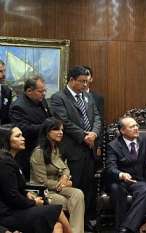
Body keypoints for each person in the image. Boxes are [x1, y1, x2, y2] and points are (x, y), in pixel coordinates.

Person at [50, 65, 101, 231]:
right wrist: (83, 136)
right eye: (82, 81)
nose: (86, 85)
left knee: (88, 189)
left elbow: (97, 117)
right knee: (74, 189)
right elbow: (63, 121)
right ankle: (71, 227)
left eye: (87, 81)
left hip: (89, 149)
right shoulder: (59, 97)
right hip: (72, 150)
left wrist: (93, 133)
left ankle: (85, 224)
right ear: (71, 80)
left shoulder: (88, 96)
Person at [0, 124, 72, 233]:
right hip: (8, 213)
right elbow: (12, 196)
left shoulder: (12, 160)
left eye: (22, 135)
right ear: (7, 140)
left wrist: (26, 194)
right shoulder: (4, 162)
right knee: (56, 210)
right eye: (18, 136)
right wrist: (33, 202)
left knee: (57, 226)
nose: (23, 138)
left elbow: (16, 189)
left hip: (17, 208)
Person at [30, 117, 85, 233]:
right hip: (44, 190)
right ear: (47, 131)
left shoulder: (55, 149)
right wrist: (62, 185)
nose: (61, 133)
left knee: (78, 194)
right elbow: (41, 181)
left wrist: (65, 178)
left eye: (62, 130)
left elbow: (65, 168)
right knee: (66, 202)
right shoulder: (38, 152)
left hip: (58, 186)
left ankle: (77, 231)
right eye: (56, 130)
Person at [105, 117, 146, 233]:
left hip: (138, 180)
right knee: (116, 189)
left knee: (145, 191)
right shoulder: (113, 145)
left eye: (136, 125)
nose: (136, 128)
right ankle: (123, 226)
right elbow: (110, 167)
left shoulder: (143, 141)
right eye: (132, 127)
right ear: (122, 131)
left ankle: (125, 228)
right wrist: (121, 174)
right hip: (121, 181)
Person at [9, 74, 51, 180]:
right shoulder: (18, 106)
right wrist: (47, 127)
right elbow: (24, 129)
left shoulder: (41, 100)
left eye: (44, 90)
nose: (44, 94)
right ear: (29, 91)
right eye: (40, 91)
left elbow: (48, 117)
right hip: (28, 152)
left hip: (43, 149)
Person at [0, 60, 12, 125]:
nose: (4, 74)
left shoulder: (7, 91)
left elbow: (8, 116)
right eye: (0, 71)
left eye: (4, 71)